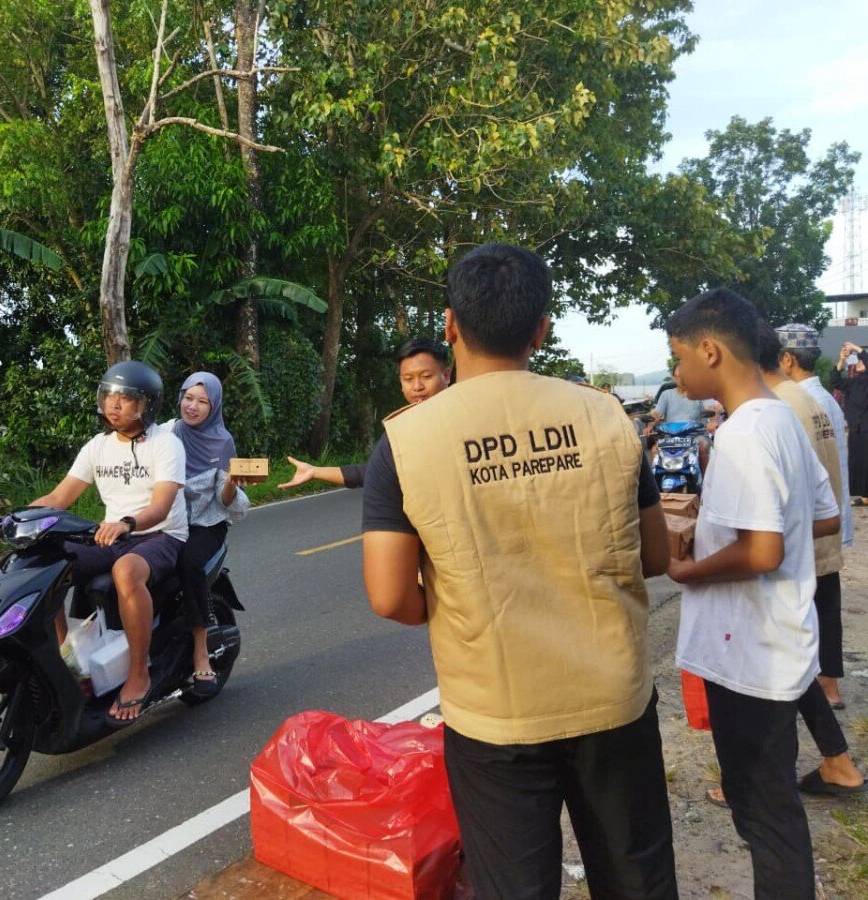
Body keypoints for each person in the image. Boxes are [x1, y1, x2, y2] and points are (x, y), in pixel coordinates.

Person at [362, 243, 676, 898]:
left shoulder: (407, 442)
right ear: (541, 329)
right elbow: (654, 556)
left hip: (494, 714)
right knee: (638, 879)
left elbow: (390, 597)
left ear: (450, 325)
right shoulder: (605, 416)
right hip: (613, 699)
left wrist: (461, 607)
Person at [666, 289, 841, 900]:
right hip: (778, 639)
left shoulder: (743, 433)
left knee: (763, 811)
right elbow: (823, 516)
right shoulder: (781, 418)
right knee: (769, 805)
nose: (676, 372)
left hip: (749, 654)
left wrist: (689, 570)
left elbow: (762, 552)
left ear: (709, 350)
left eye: (678, 357)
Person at [0, 361, 188, 726]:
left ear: (147, 404)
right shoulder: (97, 446)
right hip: (112, 533)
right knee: (49, 559)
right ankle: (69, 657)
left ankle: (139, 672)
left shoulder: (165, 443)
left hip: (160, 534)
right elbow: (59, 498)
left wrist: (126, 523)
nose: (114, 405)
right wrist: (12, 517)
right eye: (109, 396)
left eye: (126, 398)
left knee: (126, 571)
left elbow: (161, 506)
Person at [778, 323, 855, 708]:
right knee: (826, 603)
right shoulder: (825, 399)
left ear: (786, 360)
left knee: (807, 608)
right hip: (831, 519)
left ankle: (817, 685)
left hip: (812, 523)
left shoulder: (793, 403)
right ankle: (829, 684)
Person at [164, 372, 251, 697]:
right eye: (189, 398)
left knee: (189, 563)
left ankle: (201, 652)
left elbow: (224, 501)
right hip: (171, 519)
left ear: (213, 407)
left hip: (208, 522)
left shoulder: (222, 442)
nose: (193, 406)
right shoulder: (170, 432)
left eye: (202, 401)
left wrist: (231, 483)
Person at [281, 337, 451, 489]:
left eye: (426, 376)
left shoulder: (461, 419)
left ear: (446, 375)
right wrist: (314, 471)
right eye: (408, 379)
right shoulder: (401, 431)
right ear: (400, 382)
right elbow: (372, 473)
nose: (417, 387)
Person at [831, 341, 868, 499]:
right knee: (856, 462)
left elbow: (865, 358)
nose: (858, 363)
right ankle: (863, 495)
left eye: (861, 361)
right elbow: (835, 380)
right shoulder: (852, 383)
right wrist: (842, 359)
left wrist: (855, 347)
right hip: (855, 429)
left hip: (866, 429)